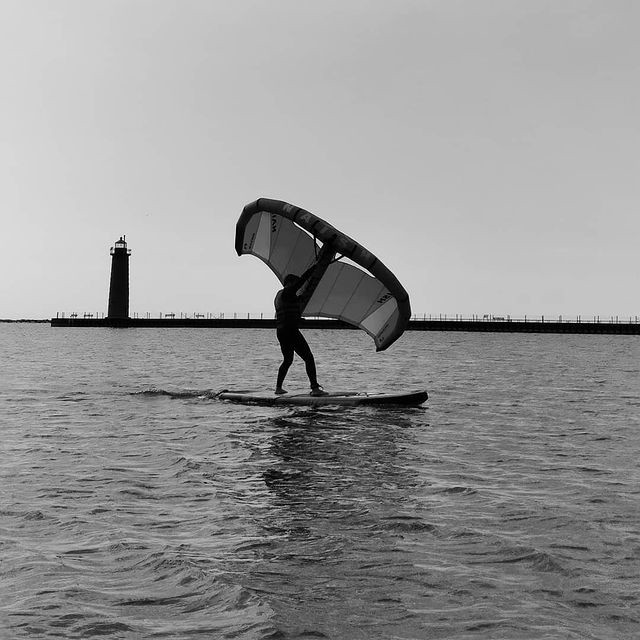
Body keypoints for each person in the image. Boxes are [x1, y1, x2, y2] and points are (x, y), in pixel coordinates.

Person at [274, 261, 328, 396]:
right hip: (290, 331)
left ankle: (278, 388)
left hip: (281, 331)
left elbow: (290, 310)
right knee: (309, 358)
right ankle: (315, 388)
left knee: (288, 360)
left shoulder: (282, 296)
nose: (297, 287)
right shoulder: (287, 292)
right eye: (295, 284)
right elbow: (302, 280)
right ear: (290, 283)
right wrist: (314, 268)